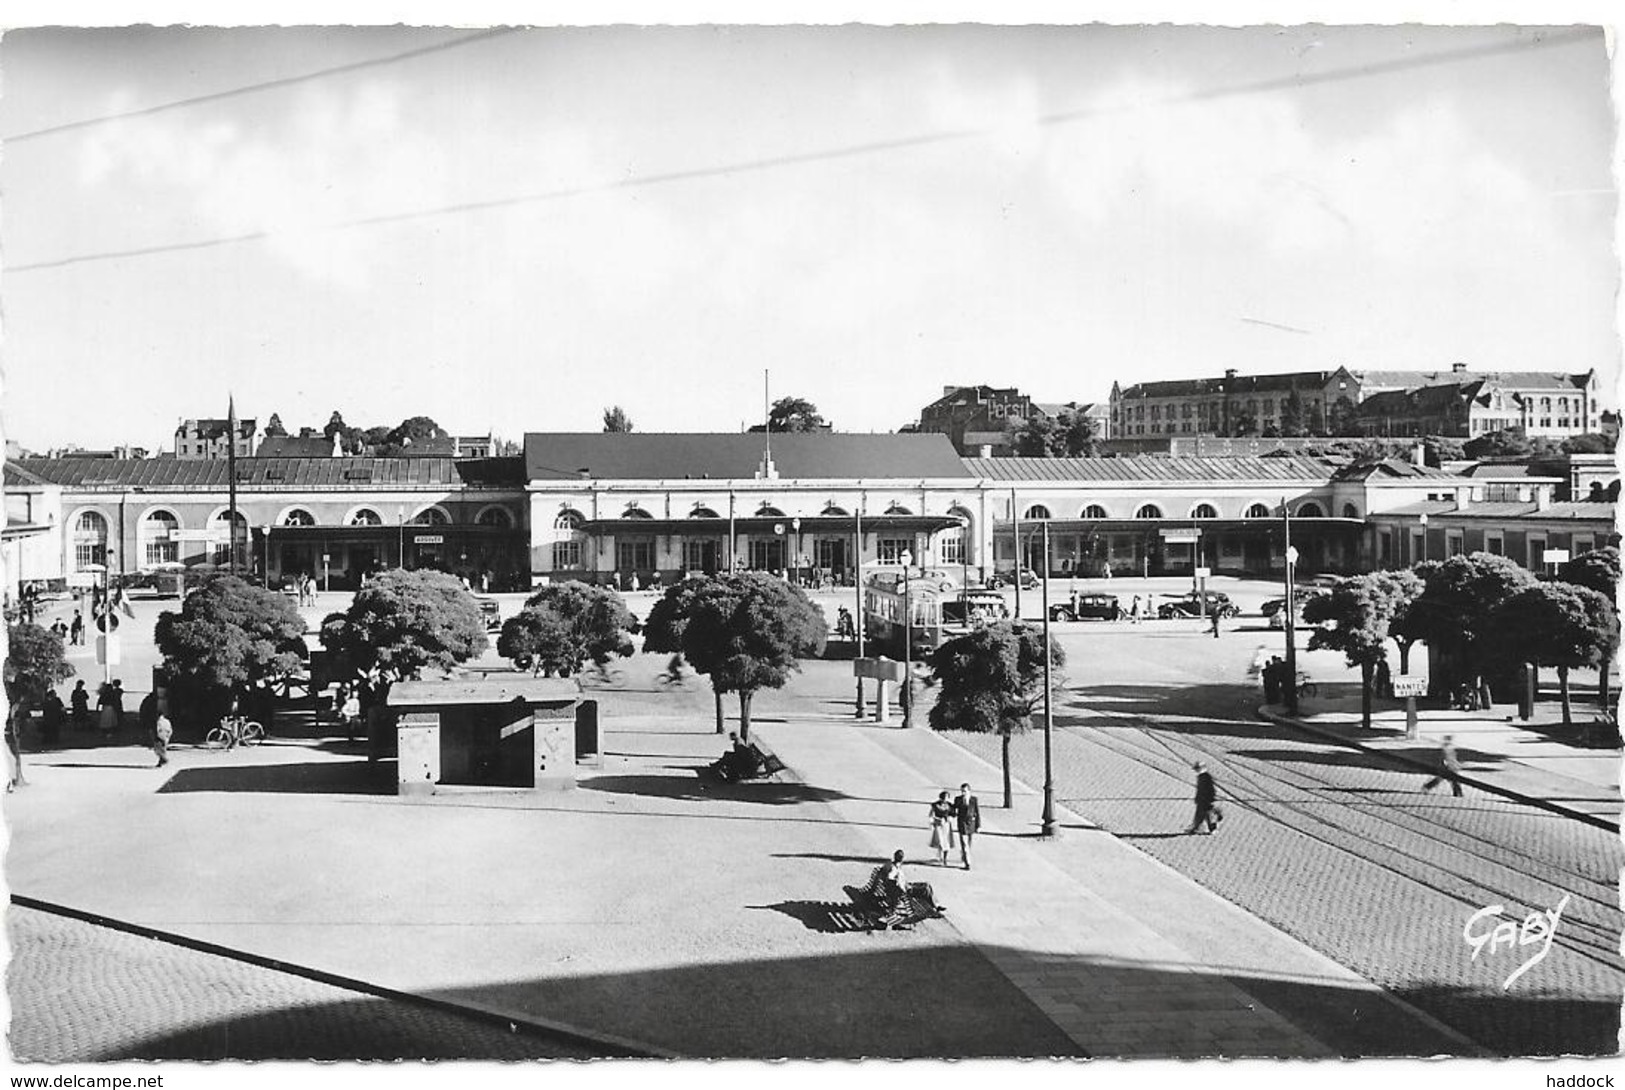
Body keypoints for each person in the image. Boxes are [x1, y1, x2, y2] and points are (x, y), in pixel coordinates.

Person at [1186, 761, 1224, 834]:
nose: (1196, 770)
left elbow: (1211, 789)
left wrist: (1210, 798)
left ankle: (1212, 827)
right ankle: (1197, 828)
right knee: (1200, 814)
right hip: (1202, 799)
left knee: (1207, 814)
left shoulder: (1206, 777)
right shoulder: (1201, 776)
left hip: (1206, 799)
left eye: (1197, 769)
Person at [952, 782, 981, 870]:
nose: (963, 793)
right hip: (962, 824)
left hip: (971, 824)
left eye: (965, 791)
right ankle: (967, 863)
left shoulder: (974, 799)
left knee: (969, 844)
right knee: (964, 844)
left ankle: (964, 855)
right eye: (962, 791)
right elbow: (954, 809)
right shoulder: (958, 799)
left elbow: (977, 812)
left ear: (969, 791)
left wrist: (978, 825)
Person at [928, 791, 955, 866]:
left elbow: (953, 815)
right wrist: (934, 821)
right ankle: (940, 856)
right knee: (940, 841)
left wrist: (948, 819)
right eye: (943, 798)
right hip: (938, 825)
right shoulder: (935, 805)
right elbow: (931, 815)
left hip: (946, 826)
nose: (944, 800)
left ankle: (945, 858)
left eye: (946, 798)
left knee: (946, 842)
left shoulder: (950, 806)